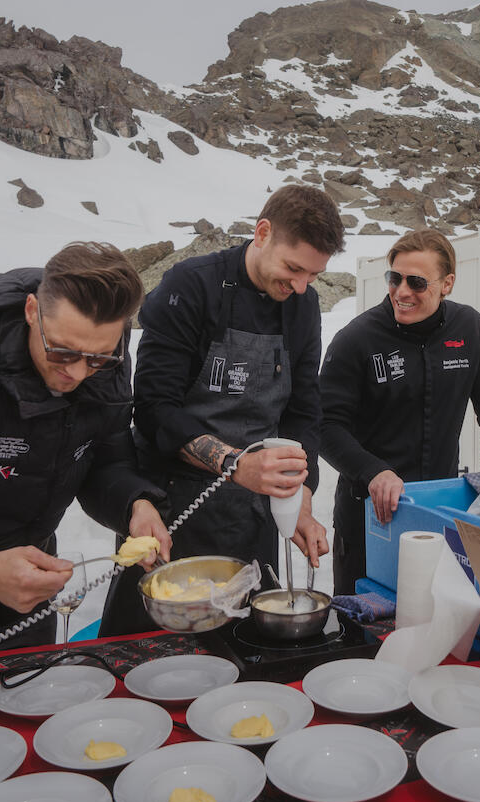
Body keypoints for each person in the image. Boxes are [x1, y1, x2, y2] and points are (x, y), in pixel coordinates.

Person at [99, 185, 345, 635]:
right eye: (293, 269)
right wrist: (234, 463)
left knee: (244, 643)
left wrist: (301, 496)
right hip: (171, 507)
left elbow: (303, 410)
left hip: (252, 515)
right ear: (263, 233)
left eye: (313, 275)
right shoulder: (191, 286)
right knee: (154, 648)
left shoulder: (304, 305)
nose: (300, 286)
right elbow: (154, 409)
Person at [0, 242, 170, 657]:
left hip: (29, 597)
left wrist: (134, 505)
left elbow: (105, 459)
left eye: (98, 358)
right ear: (32, 311)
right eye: (62, 351)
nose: (77, 372)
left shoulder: (106, 366)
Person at [319, 228, 480, 594]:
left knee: (438, 619)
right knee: (364, 622)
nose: (402, 292)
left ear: (447, 284)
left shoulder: (469, 328)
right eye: (394, 278)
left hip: (437, 515)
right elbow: (325, 425)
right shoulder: (356, 339)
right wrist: (372, 471)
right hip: (370, 518)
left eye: (417, 282)